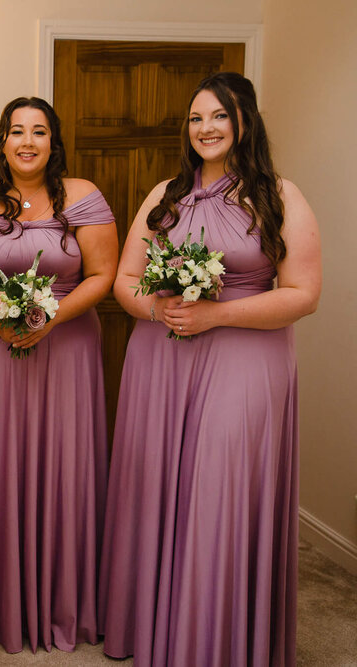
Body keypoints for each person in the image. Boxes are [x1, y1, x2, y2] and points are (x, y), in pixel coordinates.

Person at [99, 72, 321, 666]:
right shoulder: (163, 196)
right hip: (162, 358)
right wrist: (158, 307)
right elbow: (123, 282)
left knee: (221, 487)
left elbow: (303, 294)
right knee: (158, 484)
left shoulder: (280, 195)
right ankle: (156, 630)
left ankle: (216, 641)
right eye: (196, 119)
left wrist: (216, 315)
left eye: (218, 116)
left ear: (244, 120)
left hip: (247, 356)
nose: (206, 129)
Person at [0, 96, 117, 653]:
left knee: (65, 465)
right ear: (1, 142)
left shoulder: (83, 198)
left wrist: (51, 318)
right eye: (16, 131)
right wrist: (1, 323)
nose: (27, 141)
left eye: (38, 131)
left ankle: (63, 601)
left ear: (53, 141)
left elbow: (104, 274)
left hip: (66, 348)